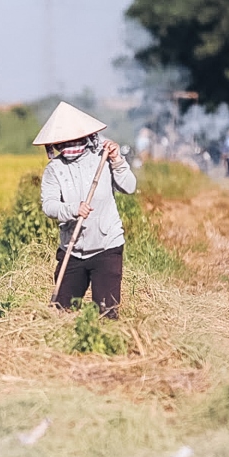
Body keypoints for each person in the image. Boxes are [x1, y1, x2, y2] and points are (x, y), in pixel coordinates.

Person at [33, 101, 137, 319]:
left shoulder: (104, 156)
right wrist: (73, 210)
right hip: (72, 248)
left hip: (106, 246)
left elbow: (129, 186)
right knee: (61, 313)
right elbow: (49, 205)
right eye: (62, 141)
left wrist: (118, 161)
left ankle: (105, 350)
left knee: (106, 314)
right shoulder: (54, 169)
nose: (68, 144)